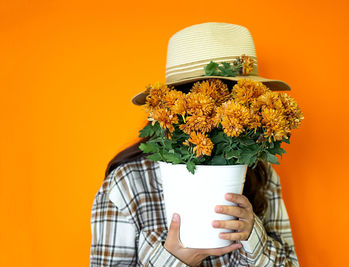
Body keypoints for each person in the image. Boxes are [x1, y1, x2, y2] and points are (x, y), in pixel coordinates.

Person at [90, 22, 299, 266]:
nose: (236, 109)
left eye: (245, 97)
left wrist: (253, 235)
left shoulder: (261, 172)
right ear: (178, 101)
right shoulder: (127, 185)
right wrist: (175, 260)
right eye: (224, 95)